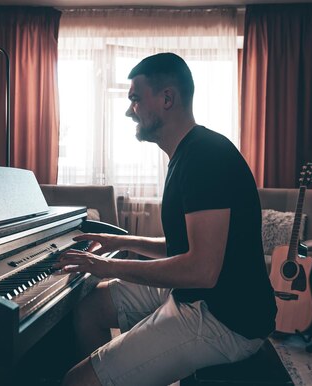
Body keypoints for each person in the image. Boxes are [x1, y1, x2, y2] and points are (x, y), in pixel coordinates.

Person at [53, 52, 277, 386]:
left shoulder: (205, 158)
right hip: (199, 294)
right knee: (89, 308)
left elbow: (201, 270)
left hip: (226, 319)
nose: (131, 111)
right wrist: (120, 241)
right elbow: (182, 249)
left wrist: (104, 266)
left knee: (76, 381)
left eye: (135, 99)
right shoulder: (188, 154)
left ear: (167, 98)